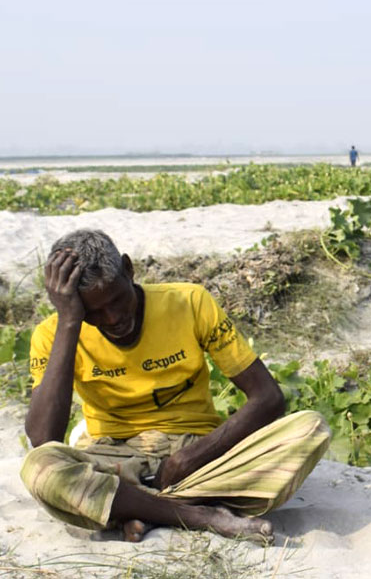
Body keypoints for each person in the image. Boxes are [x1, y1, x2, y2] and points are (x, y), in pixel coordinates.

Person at [21, 229, 330, 544]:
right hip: (113, 459)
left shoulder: (189, 301)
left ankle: (137, 507)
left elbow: (268, 398)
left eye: (117, 299)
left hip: (200, 455)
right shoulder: (53, 334)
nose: (112, 317)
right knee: (40, 468)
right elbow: (44, 438)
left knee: (310, 427)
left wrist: (189, 458)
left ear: (129, 269)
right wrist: (71, 322)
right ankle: (198, 513)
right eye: (94, 312)